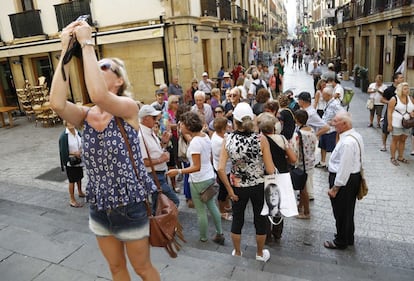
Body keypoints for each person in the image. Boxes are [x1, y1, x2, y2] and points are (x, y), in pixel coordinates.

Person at [50, 21, 160, 280]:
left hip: (130, 203)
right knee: (116, 268)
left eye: (104, 67)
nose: (96, 70)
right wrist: (66, 51)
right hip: (99, 204)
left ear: (119, 80)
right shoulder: (84, 115)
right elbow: (56, 102)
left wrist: (87, 44)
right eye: (94, 67)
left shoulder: (129, 108)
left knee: (142, 268)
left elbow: (100, 95)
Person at [217, 102, 275, 262]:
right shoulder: (260, 139)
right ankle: (259, 253)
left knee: (237, 218)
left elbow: (221, 169)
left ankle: (237, 252)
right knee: (259, 219)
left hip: (237, 187)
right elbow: (270, 169)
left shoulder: (228, 139)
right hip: (258, 185)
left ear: (234, 121)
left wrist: (229, 190)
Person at [167, 112, 224, 244]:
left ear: (188, 125)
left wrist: (178, 170)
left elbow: (196, 166)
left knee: (201, 211)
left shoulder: (195, 143)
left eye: (182, 124)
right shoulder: (204, 136)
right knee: (212, 206)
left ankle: (203, 237)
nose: (179, 125)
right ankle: (219, 233)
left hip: (198, 179)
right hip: (209, 176)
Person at [325, 111, 363, 250]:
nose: (333, 124)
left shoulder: (347, 142)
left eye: (336, 122)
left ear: (345, 124)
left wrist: (335, 187)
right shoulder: (355, 135)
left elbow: (344, 167)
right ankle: (348, 237)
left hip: (344, 180)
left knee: (341, 212)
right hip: (351, 178)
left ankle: (341, 240)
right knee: (347, 211)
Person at [258, 113, 296, 243]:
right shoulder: (282, 139)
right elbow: (293, 159)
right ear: (274, 127)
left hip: (264, 176)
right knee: (278, 204)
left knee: (265, 205)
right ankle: (277, 232)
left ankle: (266, 234)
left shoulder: (258, 140)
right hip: (281, 175)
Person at [137, 105, 179, 212]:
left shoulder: (149, 132)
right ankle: (162, 226)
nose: (157, 120)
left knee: (158, 206)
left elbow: (154, 152)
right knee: (173, 201)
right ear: (146, 118)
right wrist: (162, 159)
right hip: (154, 176)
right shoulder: (141, 136)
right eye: (154, 118)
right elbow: (143, 162)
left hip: (158, 175)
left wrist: (163, 143)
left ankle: (158, 226)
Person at [293, 110, 317, 219]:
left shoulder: (298, 134)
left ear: (296, 119)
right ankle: (300, 206)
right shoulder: (311, 130)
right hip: (310, 162)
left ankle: (306, 212)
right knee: (304, 186)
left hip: (302, 164)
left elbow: (295, 150)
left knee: (303, 189)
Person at [316, 87, 345, 168]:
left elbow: (342, 115)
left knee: (332, 148)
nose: (322, 97)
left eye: (324, 95)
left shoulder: (335, 104)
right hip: (324, 129)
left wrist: (333, 122)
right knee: (323, 146)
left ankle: (334, 164)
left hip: (331, 130)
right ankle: (322, 162)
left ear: (328, 95)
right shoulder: (329, 102)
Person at [211, 117, 233, 221]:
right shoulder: (221, 141)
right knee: (223, 191)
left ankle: (226, 206)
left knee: (224, 189)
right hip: (224, 169)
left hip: (219, 166)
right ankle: (222, 211)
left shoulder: (216, 135)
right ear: (223, 128)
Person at [59, 121, 85, 208]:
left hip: (78, 159)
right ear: (66, 124)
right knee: (72, 180)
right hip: (70, 161)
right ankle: (72, 199)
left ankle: (80, 192)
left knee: (79, 177)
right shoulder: (64, 136)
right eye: (69, 122)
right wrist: (75, 153)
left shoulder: (78, 133)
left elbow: (83, 144)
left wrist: (80, 152)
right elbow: (63, 151)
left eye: (72, 121)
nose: (71, 124)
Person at [387, 82, 414, 166]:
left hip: (407, 123)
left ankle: (400, 157)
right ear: (400, 90)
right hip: (396, 123)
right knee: (395, 140)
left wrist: (412, 113)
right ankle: (392, 157)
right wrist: (389, 124)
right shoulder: (394, 99)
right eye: (405, 89)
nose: (407, 90)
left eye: (408, 88)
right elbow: (389, 112)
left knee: (403, 140)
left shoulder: (410, 98)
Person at [380, 72, 404, 152]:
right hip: (390, 111)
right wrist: (389, 103)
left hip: (400, 112)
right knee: (386, 128)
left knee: (399, 128)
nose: (402, 79)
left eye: (402, 78)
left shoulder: (403, 89)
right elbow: (382, 99)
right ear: (395, 80)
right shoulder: (389, 90)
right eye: (400, 78)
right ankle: (384, 144)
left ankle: (396, 144)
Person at [166, 95, 181, 192]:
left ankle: (180, 172)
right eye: (175, 102)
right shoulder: (167, 113)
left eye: (178, 102)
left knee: (180, 155)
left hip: (180, 135)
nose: (177, 104)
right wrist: (176, 125)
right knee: (174, 157)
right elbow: (167, 124)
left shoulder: (179, 113)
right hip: (173, 137)